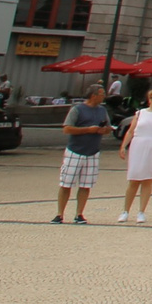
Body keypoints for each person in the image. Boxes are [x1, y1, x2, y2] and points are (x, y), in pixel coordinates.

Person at [53, 87, 109, 223]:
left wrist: (103, 130)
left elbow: (108, 127)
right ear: (93, 95)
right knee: (66, 183)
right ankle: (60, 214)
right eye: (102, 94)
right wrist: (87, 130)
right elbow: (66, 129)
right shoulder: (77, 110)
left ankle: (79, 214)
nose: (104, 97)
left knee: (86, 184)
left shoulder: (102, 110)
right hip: (75, 151)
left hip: (92, 152)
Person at [116, 87, 152, 223]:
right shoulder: (140, 113)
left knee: (148, 180)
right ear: (149, 99)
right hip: (139, 146)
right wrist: (123, 146)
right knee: (134, 179)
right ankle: (125, 211)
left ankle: (141, 212)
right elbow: (130, 131)